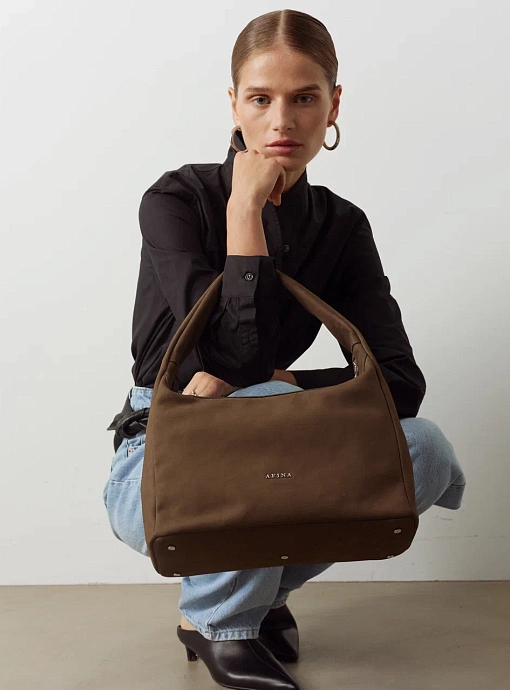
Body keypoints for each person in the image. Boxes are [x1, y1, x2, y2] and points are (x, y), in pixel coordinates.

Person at [102, 9, 467, 690]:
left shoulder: (341, 224)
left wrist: (290, 384)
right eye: (260, 99)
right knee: (263, 406)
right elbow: (234, 361)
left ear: (334, 104)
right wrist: (245, 212)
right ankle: (221, 620)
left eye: (304, 98)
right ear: (233, 104)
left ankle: (258, 590)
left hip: (275, 440)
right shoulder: (177, 200)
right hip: (164, 453)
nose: (282, 122)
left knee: (425, 451)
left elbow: (398, 383)